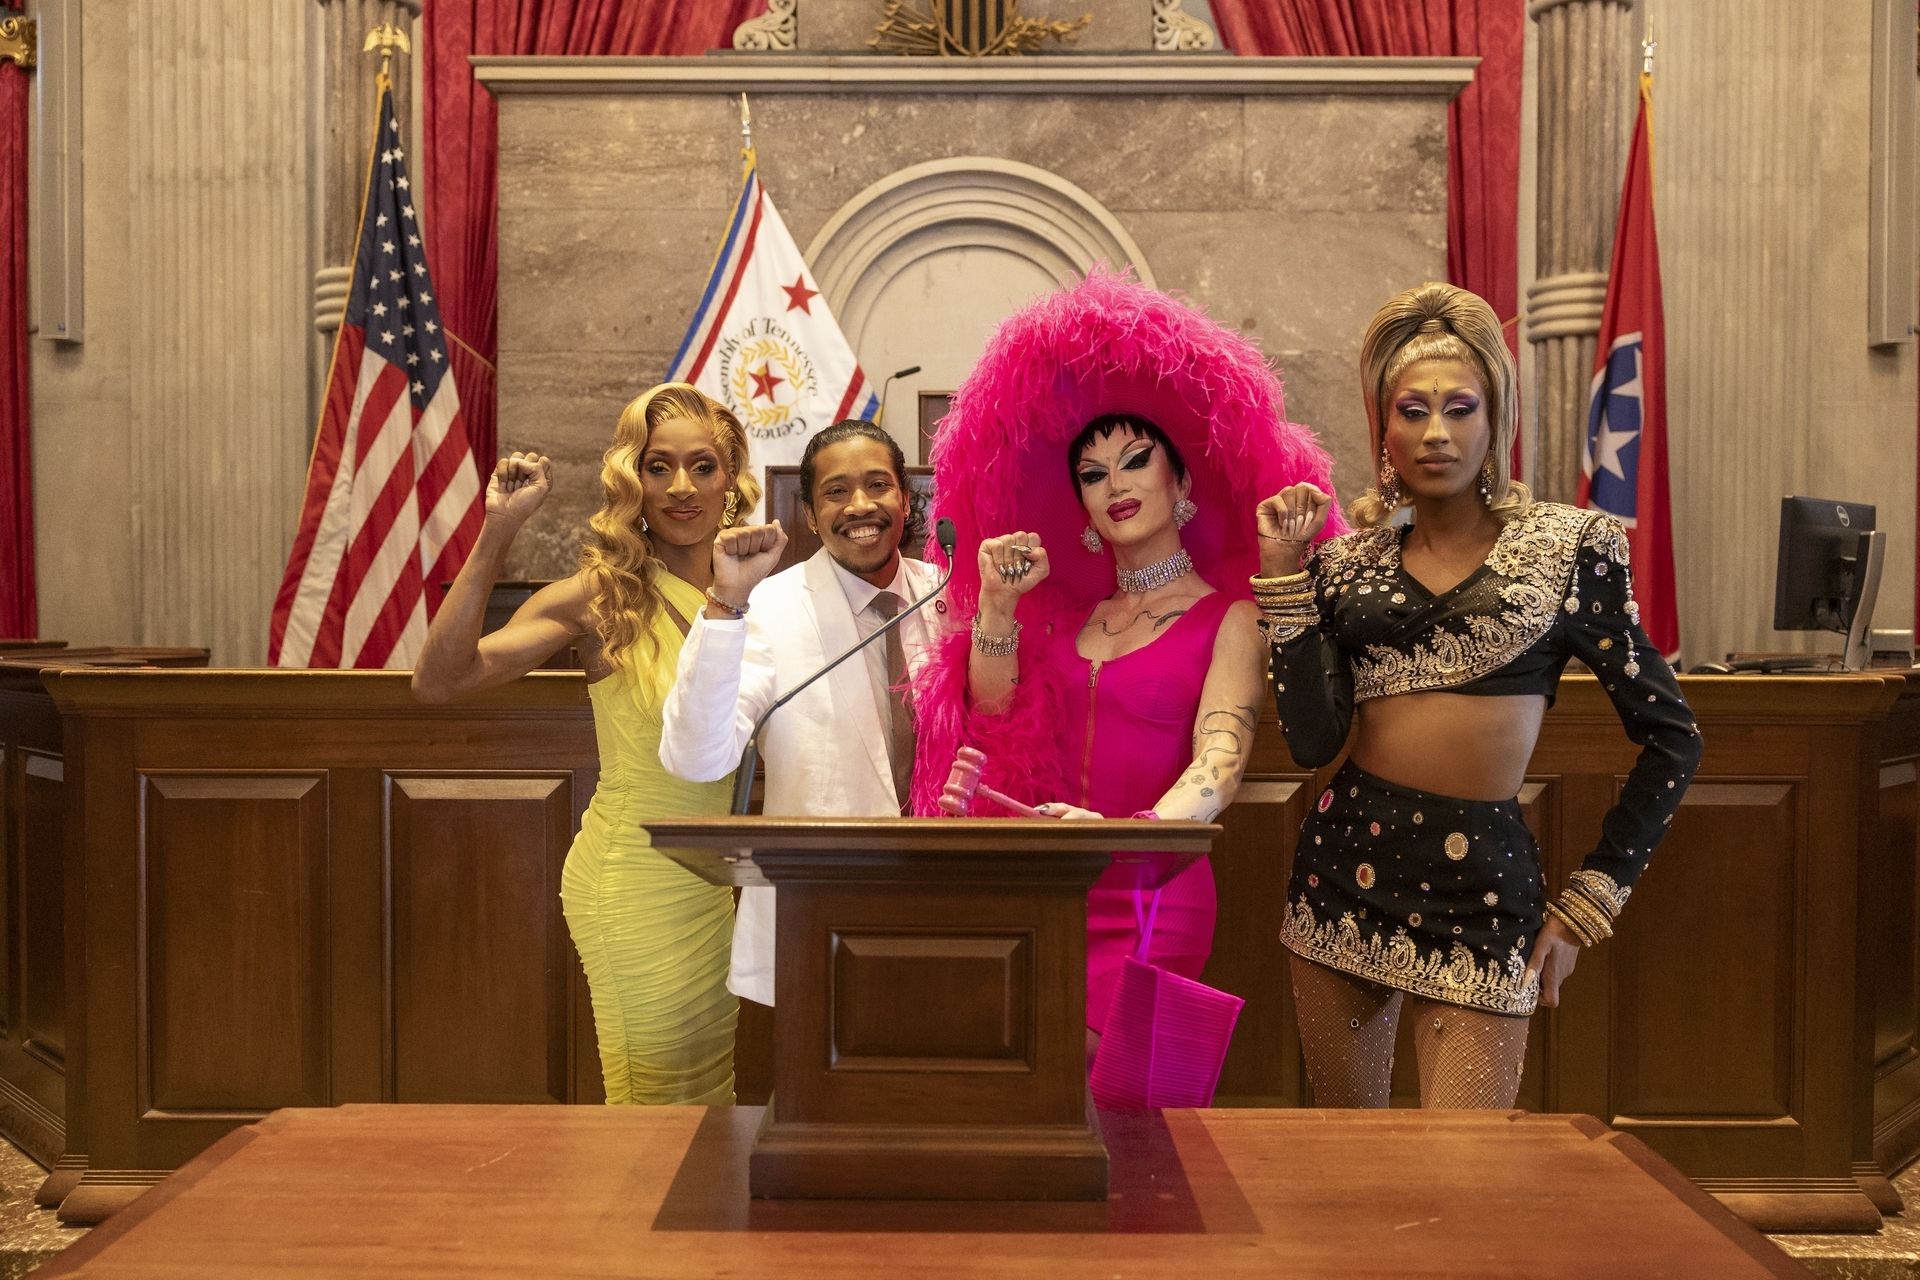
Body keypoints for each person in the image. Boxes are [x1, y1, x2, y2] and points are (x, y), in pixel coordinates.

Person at [1255, 282, 1702, 1108]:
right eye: (1412, 410)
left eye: (1460, 408)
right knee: (1345, 1161)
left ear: (1496, 423)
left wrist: (1589, 902)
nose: (1437, 432)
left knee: (1465, 1172)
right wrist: (1284, 577)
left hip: (1484, 894)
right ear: (1384, 432)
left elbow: (1674, 738)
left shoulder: (1570, 549)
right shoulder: (1344, 568)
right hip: (1341, 878)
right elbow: (1312, 742)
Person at [909, 272, 1340, 1050]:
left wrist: (1127, 836)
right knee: (1044, 1098)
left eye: (1136, 461)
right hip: (1054, 889)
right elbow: (993, 715)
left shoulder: (1230, 616)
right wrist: (998, 607)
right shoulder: (1066, 619)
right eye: (1092, 474)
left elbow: (1220, 762)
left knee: (1123, 1103)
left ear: (1181, 481)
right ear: (1079, 504)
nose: (1115, 485)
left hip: (1153, 891)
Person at [411, 382, 759, 1106]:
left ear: (730, 481)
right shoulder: (603, 596)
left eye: (702, 466)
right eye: (658, 467)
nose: (681, 487)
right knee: (653, 1100)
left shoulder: (759, 594)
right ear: (633, 481)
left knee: (704, 1096)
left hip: (713, 882)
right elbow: (441, 681)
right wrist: (497, 530)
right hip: (634, 876)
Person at [658, 418, 942, 1009]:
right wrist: (727, 603)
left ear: (905, 498)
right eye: (836, 491)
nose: (860, 505)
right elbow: (696, 758)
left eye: (878, 485)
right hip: (818, 909)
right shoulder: (764, 606)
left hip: (949, 910)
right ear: (811, 515)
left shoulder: (951, 595)